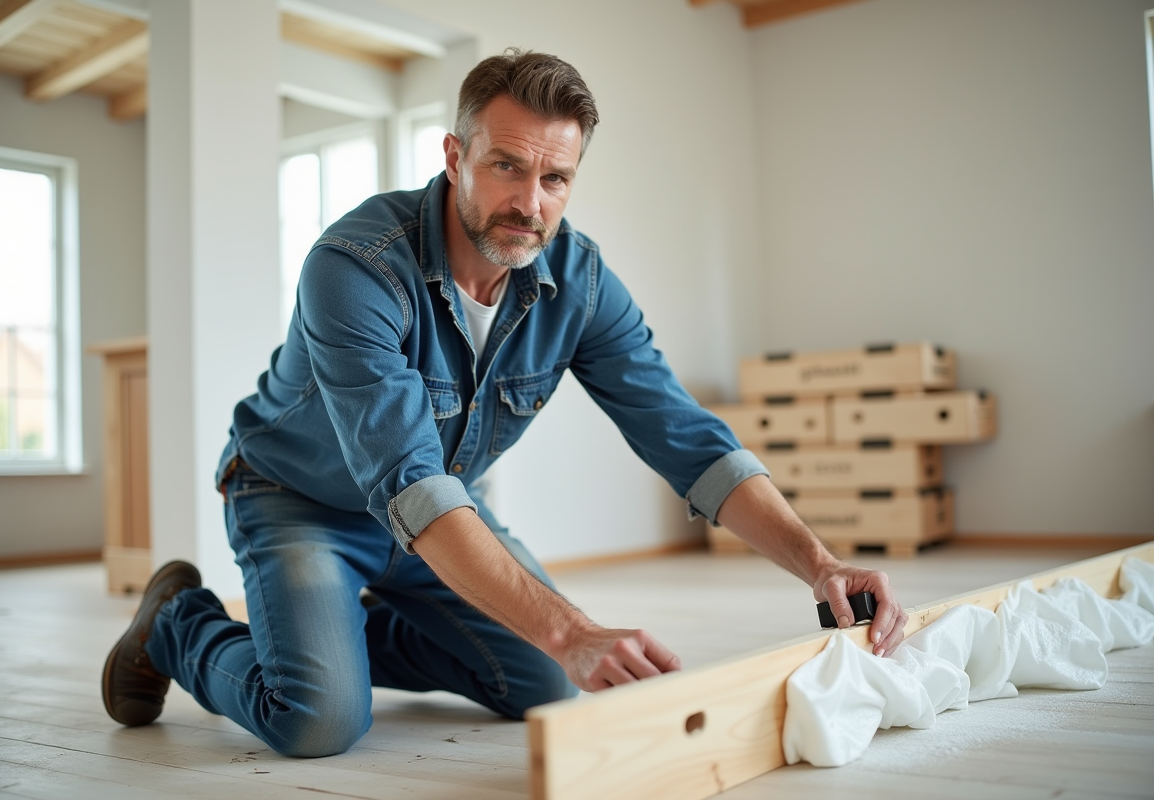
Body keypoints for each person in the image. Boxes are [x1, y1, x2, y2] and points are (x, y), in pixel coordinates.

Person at [102, 49, 907, 758]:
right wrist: (570, 630)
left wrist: (821, 565)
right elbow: (409, 481)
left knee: (542, 682)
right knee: (317, 720)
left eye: (555, 177)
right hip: (300, 500)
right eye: (506, 167)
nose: (531, 202)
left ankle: (323, 639)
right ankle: (179, 624)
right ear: (455, 155)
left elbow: (686, 437)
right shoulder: (353, 268)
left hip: (441, 515)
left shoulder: (581, 283)